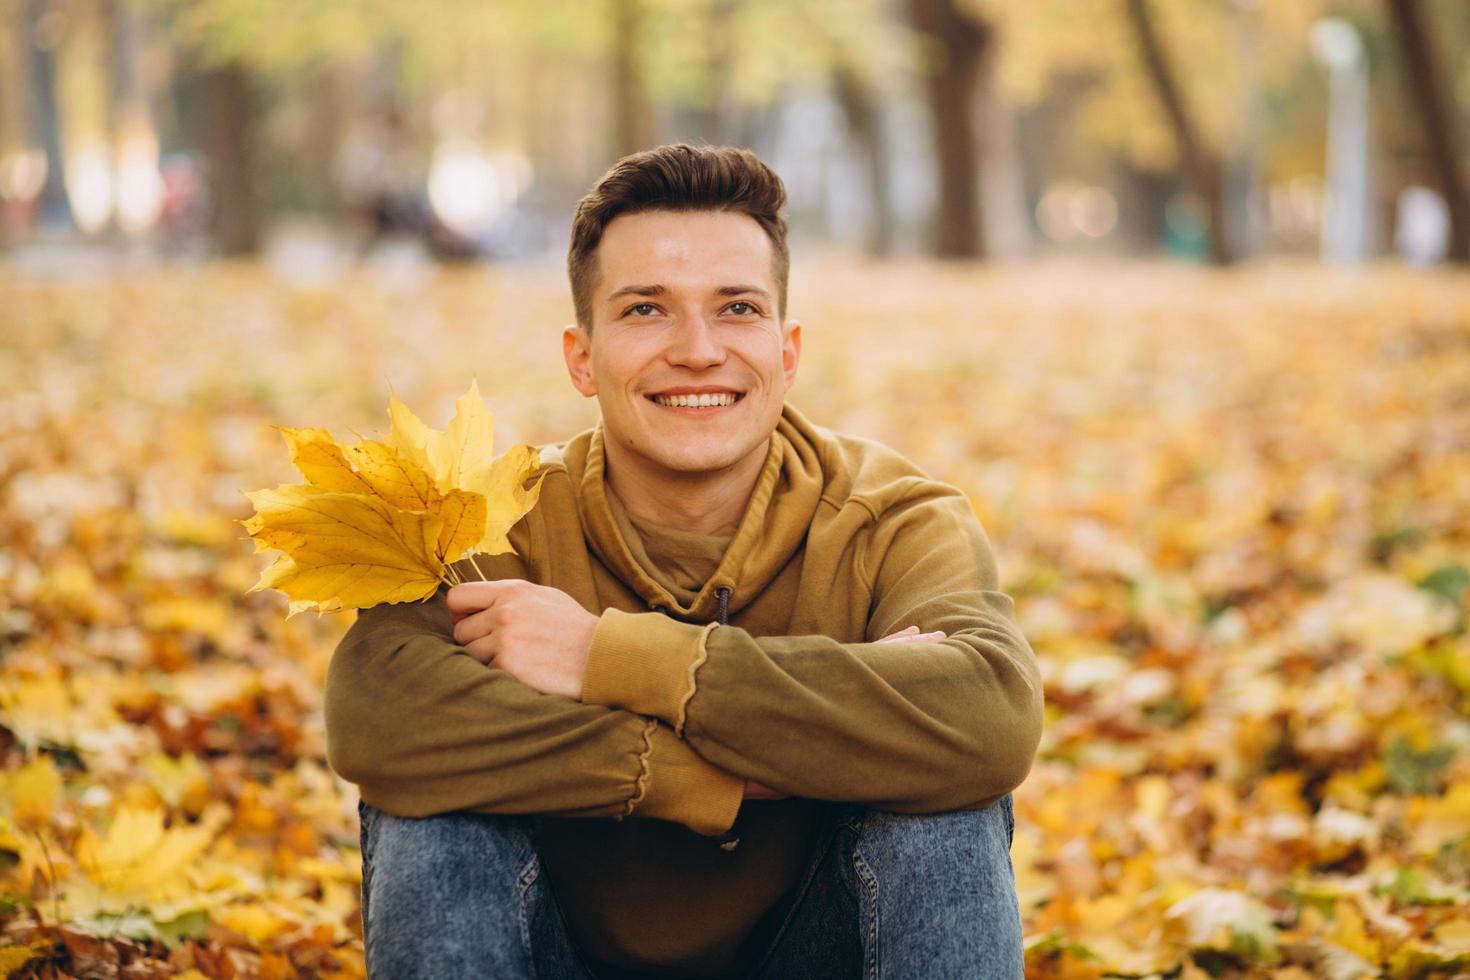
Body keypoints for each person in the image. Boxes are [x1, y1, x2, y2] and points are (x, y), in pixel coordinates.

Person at [323, 143, 1044, 979]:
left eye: (737, 308)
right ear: (581, 356)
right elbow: (379, 708)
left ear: (788, 348)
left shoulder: (890, 519)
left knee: (944, 799)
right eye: (645, 310)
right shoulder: (497, 518)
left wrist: (608, 657)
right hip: (546, 957)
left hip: (815, 954)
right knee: (430, 806)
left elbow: (989, 713)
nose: (698, 350)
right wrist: (694, 776)